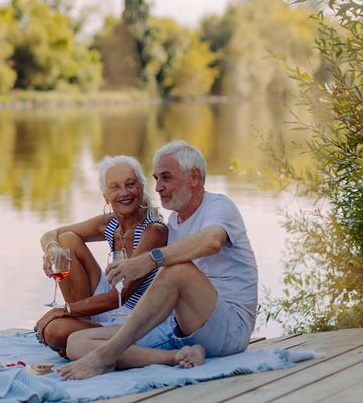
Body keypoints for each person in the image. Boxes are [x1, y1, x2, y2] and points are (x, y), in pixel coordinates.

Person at [58, 140, 258, 379]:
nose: (159, 187)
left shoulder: (219, 206)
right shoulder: (175, 221)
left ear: (194, 176)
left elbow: (211, 241)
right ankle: (175, 357)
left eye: (166, 177)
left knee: (178, 270)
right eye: (156, 179)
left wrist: (149, 260)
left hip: (228, 330)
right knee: (76, 343)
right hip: (182, 327)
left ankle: (104, 357)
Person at [35, 155, 168, 356]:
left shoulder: (154, 230)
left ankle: (81, 336)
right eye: (115, 187)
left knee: (55, 332)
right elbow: (51, 234)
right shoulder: (111, 222)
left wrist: (64, 310)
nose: (124, 192)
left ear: (141, 188)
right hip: (108, 303)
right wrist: (52, 248)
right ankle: (83, 329)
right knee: (67, 240)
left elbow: (120, 297)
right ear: (105, 196)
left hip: (132, 314)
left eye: (130, 184)